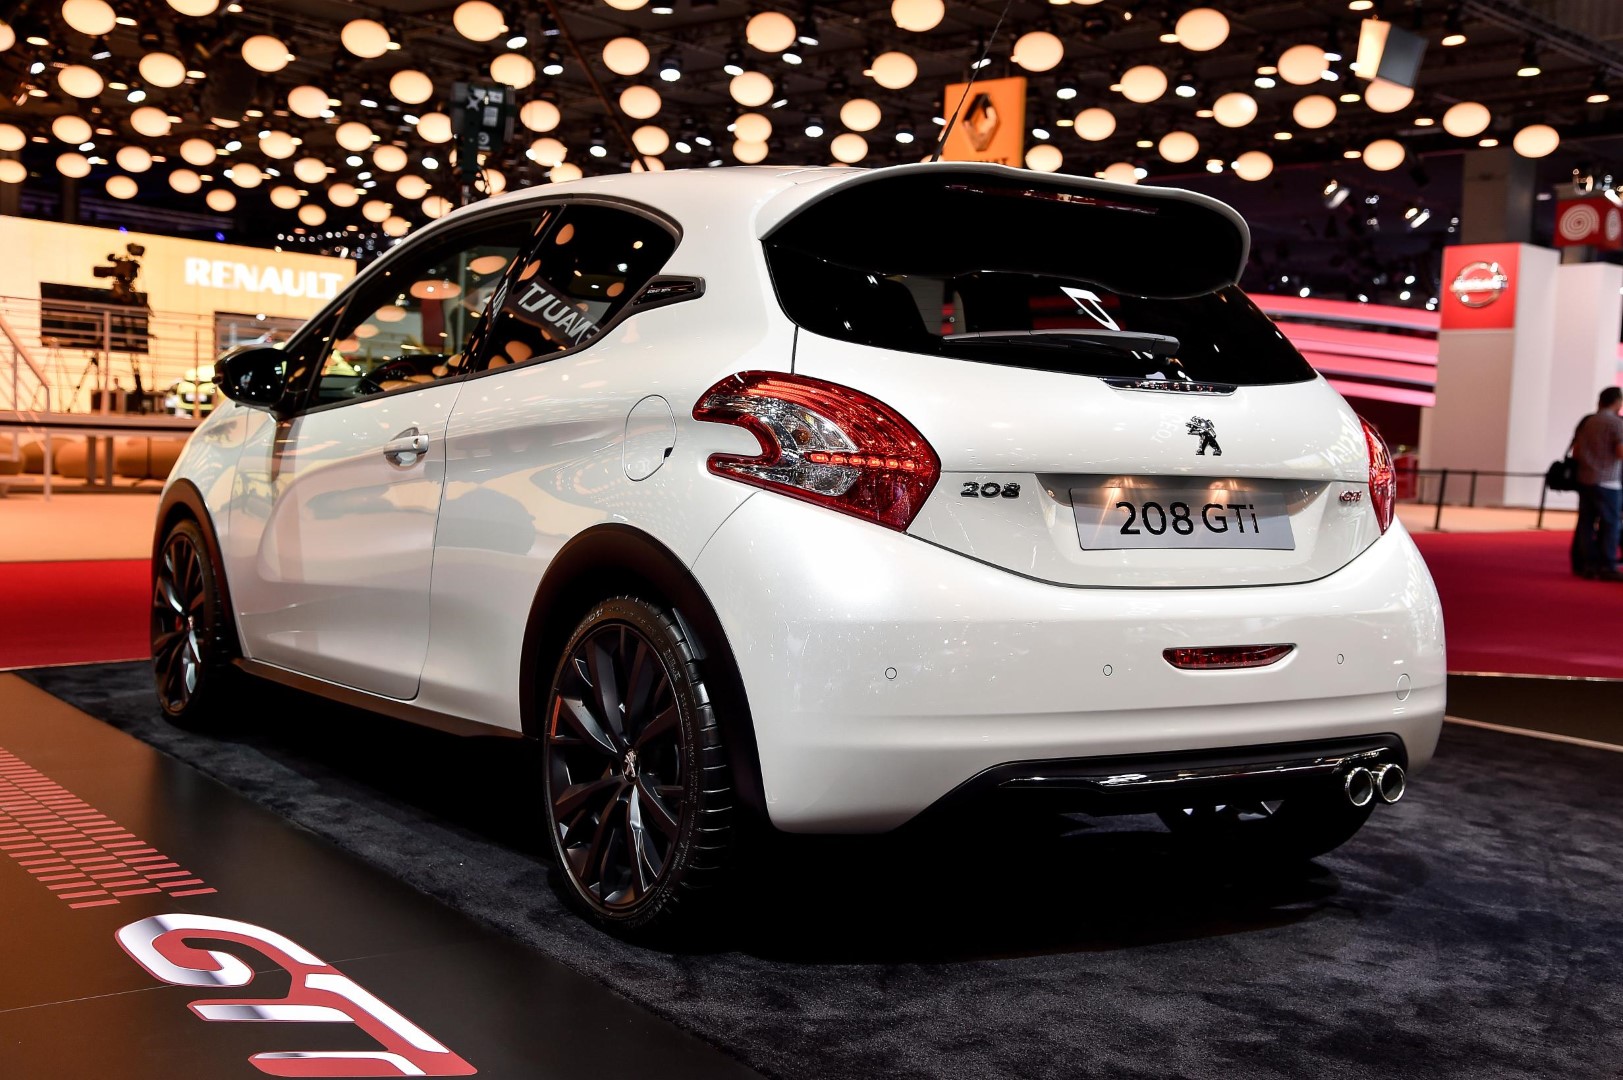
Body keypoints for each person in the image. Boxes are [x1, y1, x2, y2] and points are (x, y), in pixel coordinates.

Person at [1570, 386, 1623, 581]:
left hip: (1585, 478)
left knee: (1586, 523)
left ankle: (1588, 565)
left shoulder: (1588, 421)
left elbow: (1576, 451)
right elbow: (1620, 452)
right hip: (1608, 481)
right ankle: (1607, 565)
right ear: (1617, 402)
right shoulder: (1616, 423)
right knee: (1610, 524)